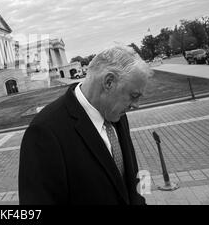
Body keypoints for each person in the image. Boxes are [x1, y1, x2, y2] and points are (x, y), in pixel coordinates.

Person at [18, 45, 153, 205]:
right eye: (134, 95)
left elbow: (131, 179)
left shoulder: (117, 113)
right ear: (109, 82)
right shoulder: (45, 132)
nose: (136, 105)